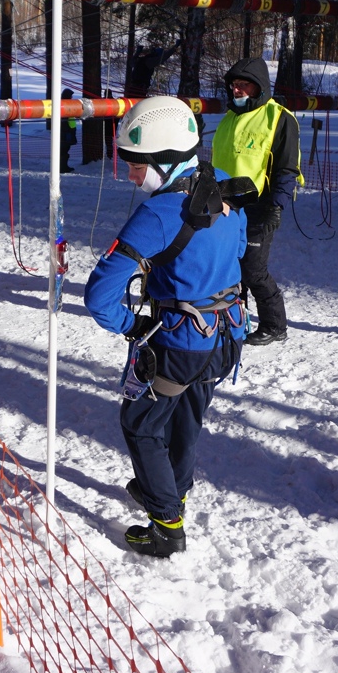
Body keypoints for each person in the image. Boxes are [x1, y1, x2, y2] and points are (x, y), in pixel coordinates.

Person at [84, 96, 248, 558]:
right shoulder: (223, 195)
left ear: (165, 160)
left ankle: (166, 524)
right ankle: (173, 489)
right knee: (186, 415)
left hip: (180, 344)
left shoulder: (156, 214)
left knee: (140, 423)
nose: (131, 176)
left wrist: (132, 326)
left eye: (137, 166)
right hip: (226, 336)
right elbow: (237, 255)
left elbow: (99, 297)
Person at [210, 57, 301, 346]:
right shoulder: (229, 118)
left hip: (259, 207)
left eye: (243, 85)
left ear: (259, 87)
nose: (237, 91)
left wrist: (277, 205)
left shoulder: (280, 118)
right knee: (227, 266)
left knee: (253, 270)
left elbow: (287, 167)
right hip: (225, 205)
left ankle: (275, 326)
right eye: (234, 85)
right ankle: (235, 318)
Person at [59, 88, 76, 173]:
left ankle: (64, 166)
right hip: (66, 131)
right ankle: (62, 167)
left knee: (65, 149)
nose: (72, 98)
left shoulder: (67, 104)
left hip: (68, 130)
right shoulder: (64, 104)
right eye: (71, 96)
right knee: (64, 149)